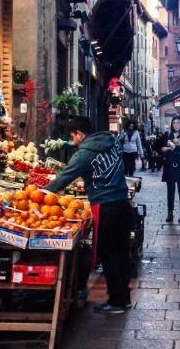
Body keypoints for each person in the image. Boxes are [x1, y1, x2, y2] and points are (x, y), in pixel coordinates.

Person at [44, 117, 132, 314]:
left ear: (79, 134)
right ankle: (123, 297)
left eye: (73, 136)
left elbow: (64, 178)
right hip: (122, 202)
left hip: (105, 206)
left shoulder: (84, 153)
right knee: (121, 253)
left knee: (108, 254)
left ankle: (116, 302)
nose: (73, 141)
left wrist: (42, 193)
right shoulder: (112, 142)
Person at [161, 116, 180, 223]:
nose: (176, 125)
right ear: (172, 125)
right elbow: (162, 148)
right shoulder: (167, 135)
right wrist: (169, 147)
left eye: (178, 123)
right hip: (169, 166)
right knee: (170, 191)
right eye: (174, 123)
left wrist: (175, 147)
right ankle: (170, 213)